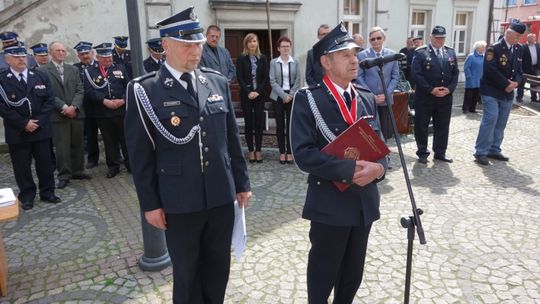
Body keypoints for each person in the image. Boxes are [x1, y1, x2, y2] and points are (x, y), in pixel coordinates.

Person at [124, 7, 251, 303]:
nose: (196, 51)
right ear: (166, 45)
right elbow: (140, 156)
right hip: (180, 202)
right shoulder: (145, 91)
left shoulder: (215, 81)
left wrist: (242, 183)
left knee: (218, 267)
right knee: (187, 273)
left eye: (198, 44)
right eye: (187, 45)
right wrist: (150, 204)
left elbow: (232, 140)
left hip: (220, 196)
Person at [290, 23, 387, 303]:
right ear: (326, 62)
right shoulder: (309, 99)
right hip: (329, 205)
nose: (354, 59)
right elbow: (303, 154)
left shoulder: (366, 98)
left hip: (364, 203)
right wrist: (350, 171)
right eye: (345, 55)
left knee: (352, 275)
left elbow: (382, 149)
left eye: (354, 53)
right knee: (323, 274)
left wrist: (379, 169)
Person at [0, 42, 61, 210]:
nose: (21, 59)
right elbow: (2, 107)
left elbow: (49, 101)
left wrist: (37, 122)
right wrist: (24, 123)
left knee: (45, 163)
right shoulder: (2, 80)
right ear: (7, 60)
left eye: (23, 56)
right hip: (18, 131)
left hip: (40, 128)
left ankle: (48, 192)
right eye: (16, 56)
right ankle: (27, 195)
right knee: (21, 166)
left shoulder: (40, 76)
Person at [38, 41, 89, 189]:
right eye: (58, 51)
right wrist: (64, 107)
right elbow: (47, 94)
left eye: (63, 51)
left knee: (78, 143)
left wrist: (74, 106)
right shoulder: (43, 71)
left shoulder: (72, 69)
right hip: (58, 115)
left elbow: (80, 89)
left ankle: (78, 170)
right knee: (62, 146)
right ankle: (64, 174)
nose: (61, 53)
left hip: (76, 113)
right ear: (50, 53)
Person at [473, 21, 525, 166]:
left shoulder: (519, 49)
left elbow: (520, 70)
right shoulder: (493, 48)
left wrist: (516, 83)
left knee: (501, 121)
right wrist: (506, 84)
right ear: (509, 33)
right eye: (517, 36)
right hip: (491, 90)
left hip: (508, 92)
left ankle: (494, 149)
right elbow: (490, 70)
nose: (518, 39)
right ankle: (481, 152)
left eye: (520, 36)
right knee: (491, 119)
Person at [412, 26, 459, 164]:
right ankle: (422, 152)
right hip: (425, 97)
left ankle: (440, 152)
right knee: (422, 125)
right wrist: (431, 89)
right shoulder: (421, 53)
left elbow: (455, 73)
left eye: (442, 37)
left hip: (445, 97)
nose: (440, 40)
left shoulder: (450, 52)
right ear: (431, 37)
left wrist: (449, 89)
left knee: (443, 125)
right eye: (437, 37)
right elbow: (416, 74)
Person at [83, 42, 129, 178]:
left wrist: (123, 100)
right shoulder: (91, 72)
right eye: (104, 58)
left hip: (121, 110)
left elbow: (129, 86)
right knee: (109, 141)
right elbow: (89, 91)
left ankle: (130, 164)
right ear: (98, 58)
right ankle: (113, 166)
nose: (108, 60)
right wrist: (104, 101)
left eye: (109, 57)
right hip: (103, 111)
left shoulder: (121, 68)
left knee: (125, 139)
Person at [356, 26, 400, 140]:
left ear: (384, 38)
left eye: (378, 38)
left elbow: (395, 77)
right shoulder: (362, 55)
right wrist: (370, 95)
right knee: (371, 129)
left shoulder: (392, 55)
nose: (376, 41)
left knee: (385, 129)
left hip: (386, 98)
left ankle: (386, 153)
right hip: (369, 99)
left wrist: (386, 93)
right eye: (372, 39)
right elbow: (359, 77)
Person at [269, 36, 302, 164]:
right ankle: (282, 152)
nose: (285, 48)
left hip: (292, 96)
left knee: (290, 125)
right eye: (283, 46)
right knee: (280, 125)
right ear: (278, 48)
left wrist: (290, 95)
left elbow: (299, 80)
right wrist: (283, 96)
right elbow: (272, 81)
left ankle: (290, 152)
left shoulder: (296, 61)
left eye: (287, 46)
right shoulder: (273, 62)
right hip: (278, 96)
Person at [236, 32, 268, 163]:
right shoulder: (241, 58)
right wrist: (249, 91)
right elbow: (240, 78)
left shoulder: (263, 58)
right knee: (249, 123)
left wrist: (258, 91)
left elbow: (265, 78)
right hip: (246, 95)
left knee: (259, 123)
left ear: (257, 43)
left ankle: (258, 150)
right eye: (249, 41)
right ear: (246, 44)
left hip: (259, 96)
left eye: (254, 41)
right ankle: (250, 150)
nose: (252, 44)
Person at [73, 41, 100, 169]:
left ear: (92, 53)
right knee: (90, 134)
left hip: (102, 105)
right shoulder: (75, 69)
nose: (85, 56)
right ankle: (92, 158)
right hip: (86, 107)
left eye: (87, 53)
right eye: (82, 54)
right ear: (78, 56)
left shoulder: (101, 66)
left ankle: (115, 156)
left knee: (110, 134)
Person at [462, 40, 487, 113]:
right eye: (483, 47)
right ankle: (465, 108)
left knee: (476, 95)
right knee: (469, 95)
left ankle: (472, 108)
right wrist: (469, 76)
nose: (484, 49)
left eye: (484, 47)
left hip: (480, 79)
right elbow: (466, 67)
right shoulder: (471, 56)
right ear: (478, 48)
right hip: (471, 79)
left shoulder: (484, 57)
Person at [516, 33, 540, 103]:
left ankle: (534, 98)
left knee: (534, 84)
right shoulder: (523, 47)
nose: (532, 39)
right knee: (521, 83)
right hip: (525, 68)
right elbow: (520, 58)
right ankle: (519, 97)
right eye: (531, 38)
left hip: (535, 68)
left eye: (533, 38)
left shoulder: (538, 46)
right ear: (528, 39)